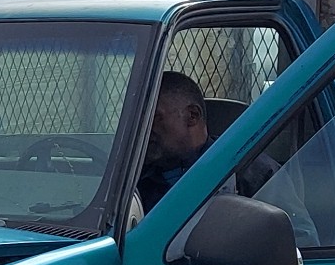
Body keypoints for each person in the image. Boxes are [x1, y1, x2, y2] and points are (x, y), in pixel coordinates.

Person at [134, 70, 316, 245]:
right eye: (141, 119)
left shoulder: (249, 171)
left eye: (155, 118)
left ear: (192, 116)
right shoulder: (133, 179)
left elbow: (301, 242)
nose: (144, 128)